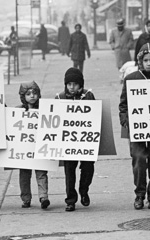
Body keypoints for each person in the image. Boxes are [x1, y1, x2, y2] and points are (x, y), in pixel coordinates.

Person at [119, 43, 150, 210]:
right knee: (139, 160)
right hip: (137, 129)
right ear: (140, 61)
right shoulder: (131, 79)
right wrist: (125, 119)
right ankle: (139, 194)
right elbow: (123, 104)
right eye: (146, 60)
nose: (149, 63)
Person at [55, 67, 95, 212]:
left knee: (88, 168)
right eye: (69, 84)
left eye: (75, 84)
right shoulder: (59, 98)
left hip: (85, 141)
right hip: (68, 143)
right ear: (65, 84)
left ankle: (83, 190)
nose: (72, 87)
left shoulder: (88, 96)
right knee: (69, 170)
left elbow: (95, 118)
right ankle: (70, 199)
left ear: (81, 85)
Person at [16, 81, 50, 209]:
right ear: (23, 96)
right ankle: (26, 198)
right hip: (24, 150)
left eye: (35, 93)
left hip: (40, 147)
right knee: (24, 174)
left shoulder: (44, 109)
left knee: (41, 173)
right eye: (28, 94)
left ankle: (43, 197)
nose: (32, 96)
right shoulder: (18, 111)